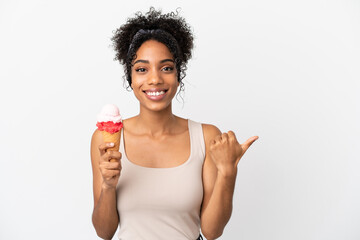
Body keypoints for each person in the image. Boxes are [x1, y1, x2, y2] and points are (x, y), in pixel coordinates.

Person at [90, 7, 259, 240]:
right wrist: (108, 186)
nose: (155, 79)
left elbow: (211, 232)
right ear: (130, 78)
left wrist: (228, 172)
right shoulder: (107, 139)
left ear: (179, 76)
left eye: (166, 68)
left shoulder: (207, 136)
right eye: (142, 69)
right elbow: (104, 231)